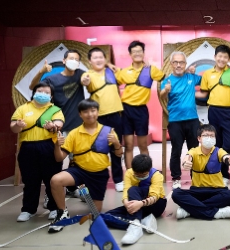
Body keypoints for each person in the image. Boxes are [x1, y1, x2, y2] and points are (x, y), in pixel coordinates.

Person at [49, 99, 123, 233]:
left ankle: (87, 194)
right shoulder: (74, 133)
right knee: (56, 180)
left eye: (93, 111)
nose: (90, 114)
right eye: (86, 112)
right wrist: (57, 146)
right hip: (79, 171)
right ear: (80, 114)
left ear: (98, 112)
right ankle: (62, 213)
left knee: (95, 212)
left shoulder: (108, 131)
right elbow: (59, 158)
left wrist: (116, 143)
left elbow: (119, 154)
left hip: (99, 174)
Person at [10, 83, 64, 222]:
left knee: (51, 179)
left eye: (47, 92)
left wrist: (52, 126)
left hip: (48, 147)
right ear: (34, 93)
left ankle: (55, 208)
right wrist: (18, 125)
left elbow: (58, 124)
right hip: (27, 148)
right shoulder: (23, 108)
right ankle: (28, 210)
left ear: (51, 96)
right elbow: (13, 128)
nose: (43, 94)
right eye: (40, 91)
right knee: (30, 180)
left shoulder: (55, 109)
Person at [115, 40, 165, 170]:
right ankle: (129, 173)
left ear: (143, 53)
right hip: (125, 110)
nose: (137, 53)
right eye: (134, 52)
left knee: (143, 145)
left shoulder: (151, 69)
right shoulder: (124, 71)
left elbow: (164, 78)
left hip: (141, 111)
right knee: (129, 145)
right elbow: (113, 84)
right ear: (130, 54)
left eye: (139, 51)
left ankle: (146, 172)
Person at [81, 47, 125, 192]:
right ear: (90, 61)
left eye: (101, 57)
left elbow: (122, 75)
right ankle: (96, 178)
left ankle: (118, 179)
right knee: (98, 148)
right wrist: (85, 80)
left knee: (116, 146)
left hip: (116, 115)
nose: (98, 60)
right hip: (98, 117)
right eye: (95, 58)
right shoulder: (88, 74)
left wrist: (110, 65)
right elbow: (84, 81)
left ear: (105, 59)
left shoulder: (111, 71)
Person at [172, 124, 230, 220]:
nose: (209, 138)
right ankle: (216, 212)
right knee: (176, 194)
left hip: (217, 190)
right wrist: (185, 163)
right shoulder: (194, 151)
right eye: (206, 135)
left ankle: (189, 210)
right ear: (199, 138)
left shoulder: (219, 151)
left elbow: (226, 157)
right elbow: (187, 158)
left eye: (212, 136)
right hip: (197, 191)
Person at [197, 44, 230, 188]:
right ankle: (223, 175)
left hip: (228, 111)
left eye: (225, 57)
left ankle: (220, 170)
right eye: (220, 56)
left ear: (228, 59)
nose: (222, 59)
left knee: (229, 144)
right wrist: (186, 93)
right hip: (213, 111)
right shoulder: (207, 74)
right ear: (215, 57)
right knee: (216, 144)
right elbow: (203, 93)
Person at [159, 51, 202, 190]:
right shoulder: (167, 81)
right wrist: (166, 90)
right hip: (175, 121)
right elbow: (161, 95)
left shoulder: (191, 77)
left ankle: (195, 177)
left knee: (194, 150)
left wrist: (194, 71)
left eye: (181, 62)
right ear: (171, 64)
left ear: (185, 64)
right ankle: (176, 178)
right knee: (176, 151)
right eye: (176, 62)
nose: (179, 65)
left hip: (193, 120)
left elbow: (207, 81)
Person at [105, 154, 167, 245]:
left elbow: (155, 196)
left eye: (143, 175)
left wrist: (141, 203)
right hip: (136, 205)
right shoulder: (129, 173)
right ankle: (140, 221)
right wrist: (126, 203)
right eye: (137, 174)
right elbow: (126, 191)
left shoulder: (157, 175)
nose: (140, 176)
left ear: (149, 169)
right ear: (133, 169)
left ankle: (135, 227)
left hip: (155, 205)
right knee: (105, 217)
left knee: (133, 190)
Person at [29, 48, 84, 134]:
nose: (74, 61)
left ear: (78, 64)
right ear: (64, 61)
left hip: (80, 125)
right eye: (71, 58)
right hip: (60, 125)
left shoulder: (80, 74)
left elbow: (92, 78)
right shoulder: (52, 79)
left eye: (76, 60)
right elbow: (32, 87)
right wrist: (41, 72)